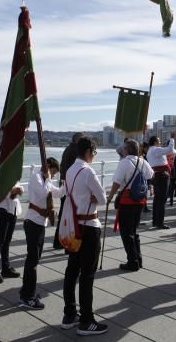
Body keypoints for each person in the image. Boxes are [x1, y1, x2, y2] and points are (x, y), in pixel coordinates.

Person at [62, 137, 108, 336]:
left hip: (74, 226)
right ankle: (87, 321)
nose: (94, 156)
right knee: (87, 274)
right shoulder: (88, 171)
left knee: (72, 269)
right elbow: (103, 199)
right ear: (89, 151)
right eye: (94, 152)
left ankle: (70, 314)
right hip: (89, 226)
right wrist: (94, 196)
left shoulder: (70, 169)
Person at [19, 157, 65, 309]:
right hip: (33, 222)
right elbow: (43, 193)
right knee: (32, 261)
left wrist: (65, 186)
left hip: (39, 223)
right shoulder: (37, 177)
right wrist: (48, 178)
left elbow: (56, 193)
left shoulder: (45, 178)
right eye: (53, 171)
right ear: (48, 167)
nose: (54, 175)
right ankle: (28, 296)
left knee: (34, 259)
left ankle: (26, 292)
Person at [106, 139, 154, 271]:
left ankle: (132, 261)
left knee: (126, 232)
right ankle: (138, 259)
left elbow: (117, 182)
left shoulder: (124, 162)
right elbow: (151, 174)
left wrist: (110, 197)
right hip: (139, 200)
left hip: (127, 200)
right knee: (133, 230)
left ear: (126, 150)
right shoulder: (142, 161)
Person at [54, 132, 84, 250]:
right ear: (76, 140)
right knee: (66, 214)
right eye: (82, 139)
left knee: (63, 213)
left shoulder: (69, 149)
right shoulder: (75, 151)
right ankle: (63, 240)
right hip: (69, 186)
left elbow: (64, 167)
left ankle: (58, 241)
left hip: (66, 184)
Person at [0, 181, 24, 283]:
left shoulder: (15, 172)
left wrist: (20, 190)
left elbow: (20, 189)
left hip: (13, 209)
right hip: (3, 209)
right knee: (0, 241)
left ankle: (6, 268)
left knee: (7, 241)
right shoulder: (2, 171)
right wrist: (15, 190)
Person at [146, 135, 175, 229]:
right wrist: (172, 139)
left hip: (156, 176)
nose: (160, 143)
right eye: (158, 141)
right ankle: (160, 223)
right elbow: (170, 149)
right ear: (154, 142)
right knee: (162, 200)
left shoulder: (150, 151)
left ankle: (155, 221)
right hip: (162, 176)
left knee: (157, 199)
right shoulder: (155, 150)